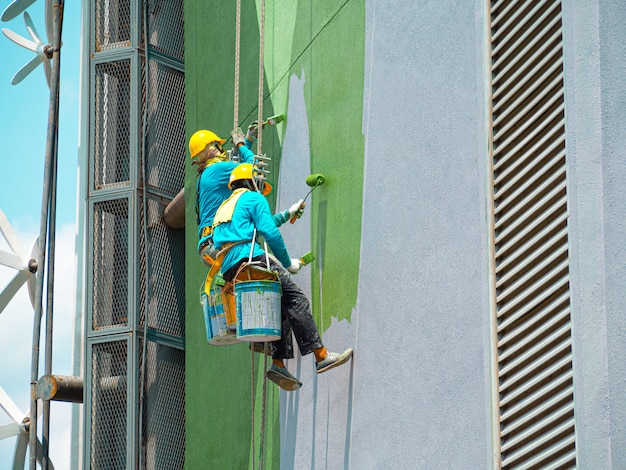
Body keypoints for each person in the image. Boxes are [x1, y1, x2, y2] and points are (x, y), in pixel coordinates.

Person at [212, 163, 353, 391]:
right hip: (251, 261)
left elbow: (255, 226)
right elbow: (269, 232)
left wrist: (288, 213)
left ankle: (277, 363)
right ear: (252, 181)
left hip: (230, 270)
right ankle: (321, 355)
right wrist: (288, 263)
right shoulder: (254, 199)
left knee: (277, 307)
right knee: (296, 299)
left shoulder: (227, 206)